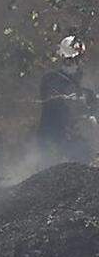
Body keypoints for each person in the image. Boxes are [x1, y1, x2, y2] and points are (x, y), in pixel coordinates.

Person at [38, 35, 98, 165]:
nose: (74, 63)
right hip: (57, 138)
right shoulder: (51, 79)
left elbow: (94, 107)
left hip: (82, 140)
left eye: (77, 59)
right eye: (69, 60)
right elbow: (54, 106)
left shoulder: (87, 80)